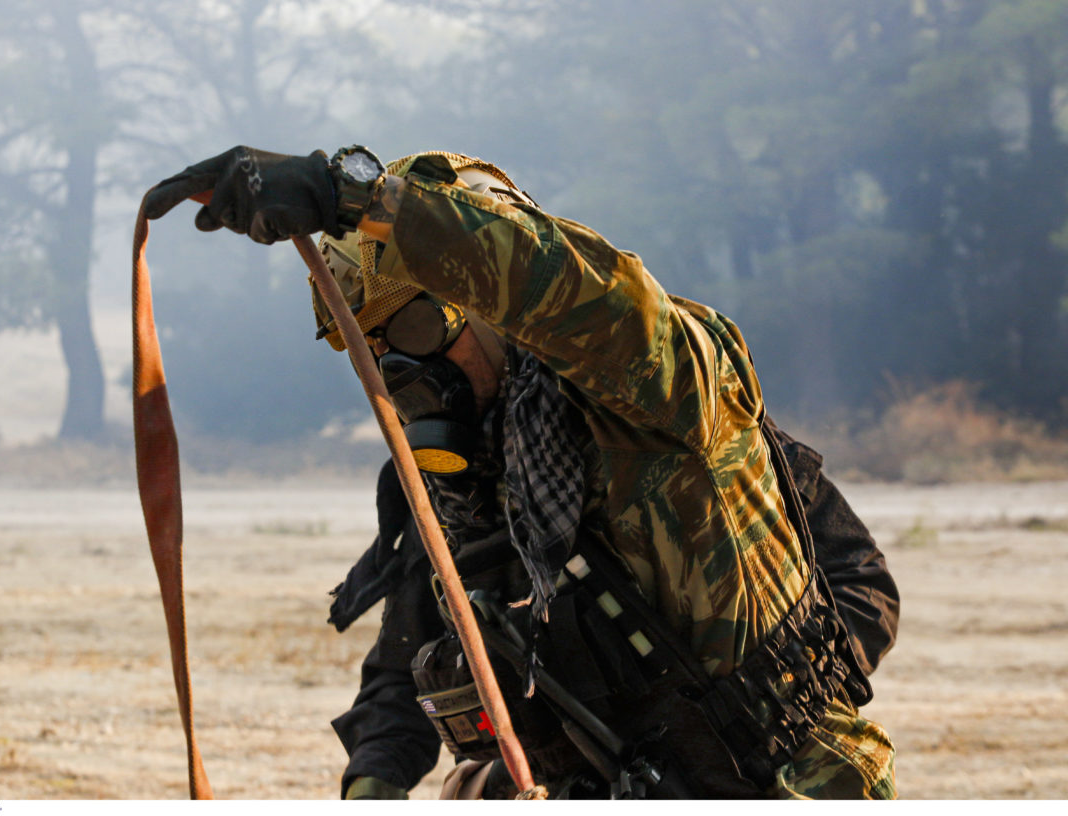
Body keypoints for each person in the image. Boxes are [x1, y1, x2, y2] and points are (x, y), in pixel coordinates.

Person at [145, 145, 899, 799]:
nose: (400, 368)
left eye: (415, 326)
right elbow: (405, 663)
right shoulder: (463, 489)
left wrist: (360, 200)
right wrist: (373, 784)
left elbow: (581, 292)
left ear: (495, 311)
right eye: (372, 344)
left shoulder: (665, 397)